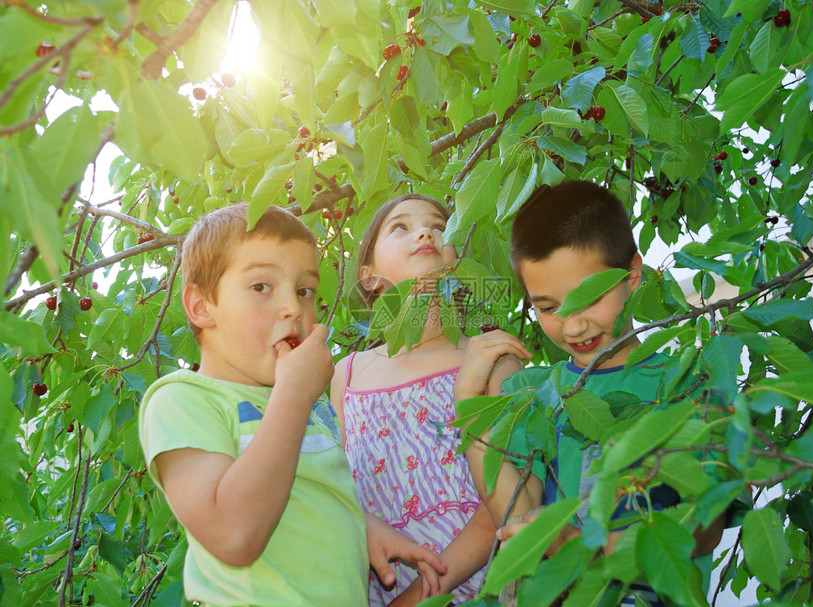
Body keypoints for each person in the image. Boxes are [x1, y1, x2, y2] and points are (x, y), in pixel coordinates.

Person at [138, 203, 446, 607]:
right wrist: (295, 396)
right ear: (201, 306)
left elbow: (305, 492)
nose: (293, 308)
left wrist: (361, 527)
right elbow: (234, 534)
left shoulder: (311, 411)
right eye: (261, 287)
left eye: (304, 291)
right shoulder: (181, 400)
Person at [455, 181, 729, 605]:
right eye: (548, 308)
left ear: (632, 274)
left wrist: (586, 548)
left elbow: (706, 523)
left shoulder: (687, 382)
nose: (573, 326)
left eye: (589, 298)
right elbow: (515, 514)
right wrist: (468, 402)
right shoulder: (537, 395)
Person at [330, 194, 526, 606]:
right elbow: (338, 493)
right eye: (400, 227)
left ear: (457, 259)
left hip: (475, 591)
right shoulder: (346, 374)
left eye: (440, 226)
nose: (426, 233)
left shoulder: (491, 357)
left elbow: (508, 501)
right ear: (369, 277)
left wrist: (419, 596)